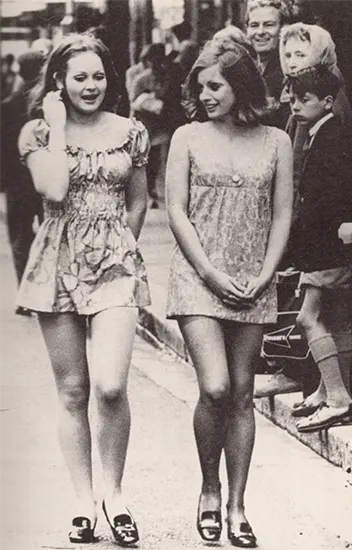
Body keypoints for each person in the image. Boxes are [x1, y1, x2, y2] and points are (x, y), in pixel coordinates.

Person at [17, 33, 150, 546]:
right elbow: (52, 188)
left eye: (98, 76)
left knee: (111, 385)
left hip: (115, 267)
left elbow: (138, 202)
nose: (91, 86)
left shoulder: (130, 132)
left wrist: (119, 248)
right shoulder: (37, 132)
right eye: (79, 77)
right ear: (59, 83)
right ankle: (83, 505)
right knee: (73, 390)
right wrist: (53, 125)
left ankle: (114, 497)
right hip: (55, 264)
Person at [165, 39, 293, 547]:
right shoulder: (186, 137)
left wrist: (267, 273)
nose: (206, 94)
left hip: (254, 278)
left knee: (242, 394)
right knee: (214, 386)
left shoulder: (277, 141)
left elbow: (283, 212)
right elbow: (175, 210)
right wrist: (211, 273)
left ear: (241, 85)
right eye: (201, 86)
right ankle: (209, 487)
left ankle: (237, 505)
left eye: (215, 84)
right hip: (200, 276)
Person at [284, 65, 352, 432]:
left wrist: (298, 245)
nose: (295, 105)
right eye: (293, 98)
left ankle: (338, 398)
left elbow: (322, 203)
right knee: (337, 320)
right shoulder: (329, 132)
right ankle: (328, 389)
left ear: (327, 102)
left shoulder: (328, 138)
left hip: (324, 246)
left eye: (305, 99)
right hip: (338, 245)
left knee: (307, 318)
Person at [0, 49, 46, 315]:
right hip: (45, 181)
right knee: (51, 235)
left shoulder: (6, 106)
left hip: (17, 183)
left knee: (20, 238)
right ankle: (47, 291)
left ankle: (25, 295)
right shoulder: (47, 106)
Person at [130, 43, 185, 208]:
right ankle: (149, 190)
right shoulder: (140, 79)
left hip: (164, 124)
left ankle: (162, 190)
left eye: (159, 61)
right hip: (146, 124)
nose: (156, 65)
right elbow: (133, 101)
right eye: (152, 62)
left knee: (164, 158)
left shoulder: (171, 77)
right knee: (148, 159)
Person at [245, 0, 291, 128]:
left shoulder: (289, 69)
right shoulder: (247, 68)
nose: (260, 32)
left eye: (269, 25)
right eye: (254, 25)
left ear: (283, 29)